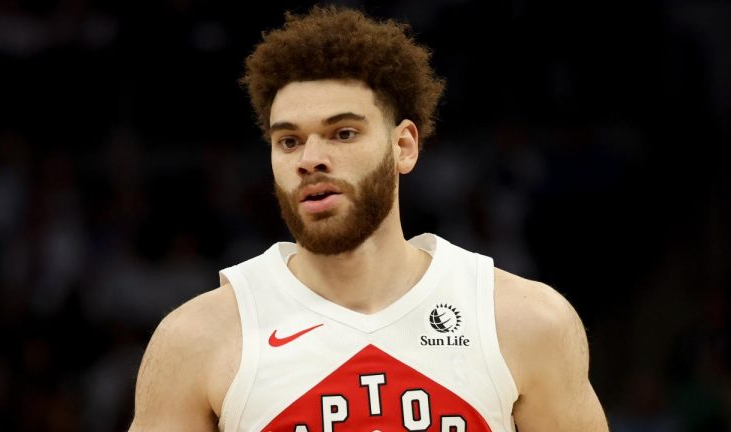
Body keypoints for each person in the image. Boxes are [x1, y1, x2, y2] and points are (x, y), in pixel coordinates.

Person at [128, 5, 609, 431]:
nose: (309, 159)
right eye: (289, 141)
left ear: (403, 146)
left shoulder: (524, 320)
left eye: (342, 133)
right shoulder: (196, 339)